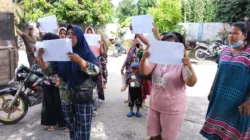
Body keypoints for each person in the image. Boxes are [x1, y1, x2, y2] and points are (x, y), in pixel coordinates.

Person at [37, 25, 99, 140]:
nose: (70, 36)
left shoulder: (86, 52)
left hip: (83, 96)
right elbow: (50, 71)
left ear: (79, 36)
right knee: (71, 126)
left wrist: (80, 61)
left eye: (73, 34)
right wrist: (42, 59)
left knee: (83, 128)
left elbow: (96, 70)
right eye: (68, 34)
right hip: (66, 96)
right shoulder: (62, 53)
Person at [137, 31, 197, 140]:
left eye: (172, 45)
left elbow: (191, 82)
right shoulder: (157, 59)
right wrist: (143, 60)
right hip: (155, 105)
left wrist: (189, 66)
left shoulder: (181, 63)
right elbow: (145, 71)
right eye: (165, 45)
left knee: (166, 138)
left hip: (173, 109)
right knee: (153, 135)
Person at [200, 22, 250, 140]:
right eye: (230, 33)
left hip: (239, 102)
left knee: (234, 133)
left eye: (235, 33)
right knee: (215, 133)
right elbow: (218, 71)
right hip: (219, 99)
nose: (231, 36)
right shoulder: (224, 51)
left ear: (244, 36)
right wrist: (211, 90)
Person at [40, 33, 66, 131]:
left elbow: (63, 67)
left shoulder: (60, 52)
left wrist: (60, 80)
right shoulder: (44, 52)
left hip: (58, 81)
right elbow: (41, 65)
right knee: (49, 103)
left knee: (61, 103)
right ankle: (53, 122)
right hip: (47, 81)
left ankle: (65, 123)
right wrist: (39, 56)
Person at [85, 27, 105, 101]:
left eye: (91, 32)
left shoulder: (96, 42)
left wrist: (100, 45)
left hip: (96, 62)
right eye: (88, 32)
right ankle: (89, 96)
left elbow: (101, 52)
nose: (89, 33)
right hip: (87, 63)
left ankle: (97, 97)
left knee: (97, 80)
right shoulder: (84, 43)